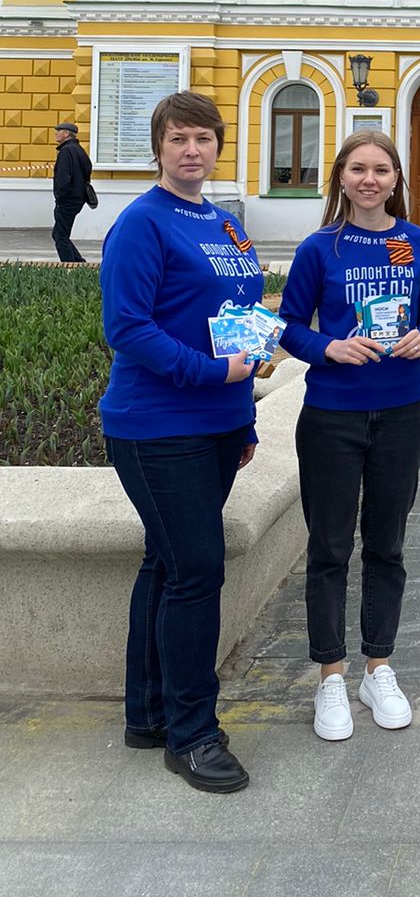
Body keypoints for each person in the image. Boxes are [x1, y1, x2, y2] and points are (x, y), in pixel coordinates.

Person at [100, 91, 260, 794]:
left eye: (203, 138)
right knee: (196, 570)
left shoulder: (223, 225)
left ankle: (148, 714)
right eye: (178, 138)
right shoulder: (141, 224)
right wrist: (210, 374)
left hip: (217, 425)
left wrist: (243, 416)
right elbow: (128, 328)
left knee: (165, 567)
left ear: (218, 147)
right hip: (157, 424)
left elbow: (242, 318)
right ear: (158, 149)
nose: (191, 150)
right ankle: (192, 734)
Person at [279, 131, 420, 742]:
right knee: (329, 548)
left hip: (402, 412)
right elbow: (289, 326)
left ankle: (379, 665)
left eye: (381, 169)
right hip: (332, 416)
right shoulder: (320, 248)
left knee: (387, 544)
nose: (370, 179)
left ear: (396, 178)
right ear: (342, 179)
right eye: (358, 170)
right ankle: (330, 675)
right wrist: (329, 347)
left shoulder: (415, 242)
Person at [52, 119, 92, 262]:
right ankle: (78, 263)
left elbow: (63, 178)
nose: (56, 134)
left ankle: (70, 267)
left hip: (67, 200)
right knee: (59, 233)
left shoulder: (66, 151)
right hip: (78, 198)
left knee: (60, 236)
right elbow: (88, 170)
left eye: (58, 131)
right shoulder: (79, 150)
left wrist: (60, 197)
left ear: (66, 134)